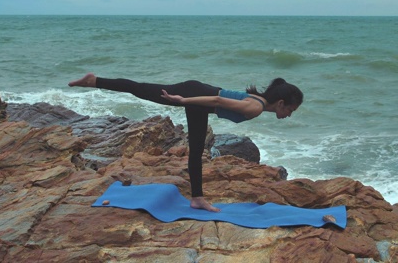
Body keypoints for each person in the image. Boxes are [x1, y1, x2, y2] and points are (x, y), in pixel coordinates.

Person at [68, 73, 303, 212]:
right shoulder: (255, 107)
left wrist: (189, 100)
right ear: (281, 103)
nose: (290, 115)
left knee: (196, 149)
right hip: (196, 96)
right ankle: (94, 81)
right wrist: (183, 100)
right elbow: (218, 99)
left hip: (198, 100)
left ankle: (197, 198)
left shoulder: (258, 101)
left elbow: (217, 100)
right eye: (291, 110)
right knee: (141, 90)